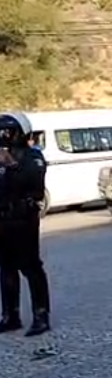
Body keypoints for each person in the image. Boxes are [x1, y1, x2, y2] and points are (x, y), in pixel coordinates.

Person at [0, 111, 51, 337]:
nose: (4, 135)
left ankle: (41, 315)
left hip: (24, 219)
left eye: (8, 131)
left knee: (31, 267)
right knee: (5, 269)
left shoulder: (32, 157)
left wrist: (11, 167)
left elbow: (34, 184)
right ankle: (10, 315)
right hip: (3, 220)